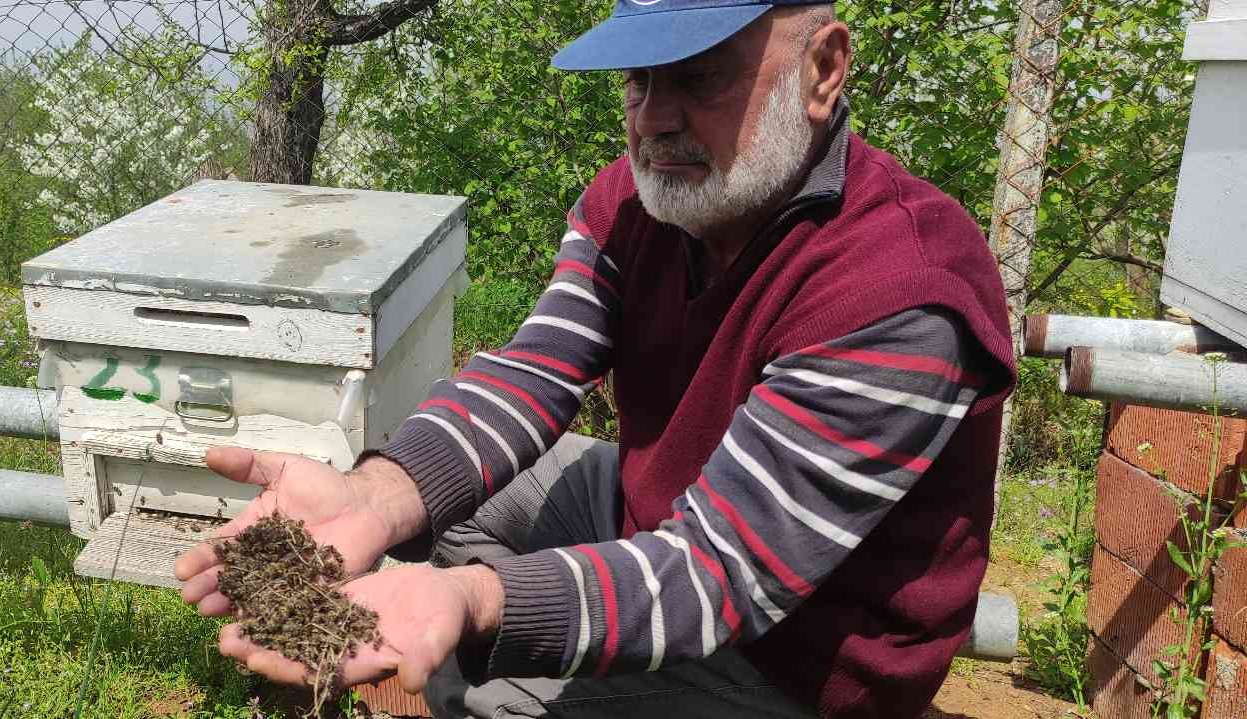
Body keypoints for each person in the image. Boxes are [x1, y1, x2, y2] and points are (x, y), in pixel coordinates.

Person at [176, 0, 1017, 716]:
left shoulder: (899, 288)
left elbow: (718, 571)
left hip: (803, 654)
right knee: (445, 506)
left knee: (503, 688)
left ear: (822, 68)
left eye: (698, 77)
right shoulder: (640, 199)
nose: (653, 118)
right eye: (639, 79)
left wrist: (478, 602)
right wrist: (374, 494)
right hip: (663, 517)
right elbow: (535, 367)